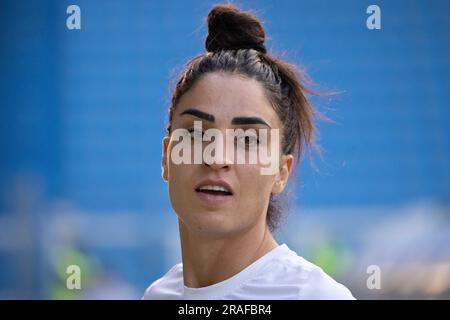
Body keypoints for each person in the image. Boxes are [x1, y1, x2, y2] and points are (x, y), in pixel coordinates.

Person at [143, 3, 355, 300]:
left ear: (281, 172)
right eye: (196, 132)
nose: (217, 158)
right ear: (167, 156)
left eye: (248, 140)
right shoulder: (158, 295)